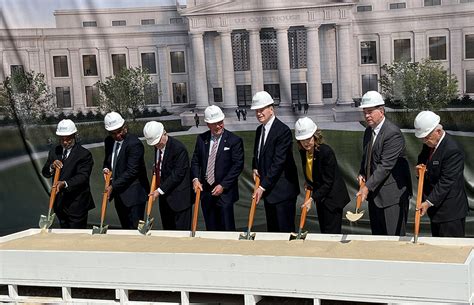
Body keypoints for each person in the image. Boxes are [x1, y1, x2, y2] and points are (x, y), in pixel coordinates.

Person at [357, 91, 412, 236]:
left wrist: (367, 187)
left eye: (370, 111)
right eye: (364, 112)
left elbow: (385, 166)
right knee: (378, 241)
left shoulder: (392, 133)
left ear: (381, 111)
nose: (366, 115)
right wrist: (362, 173)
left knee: (393, 242)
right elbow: (367, 158)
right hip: (375, 198)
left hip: (392, 199)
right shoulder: (368, 131)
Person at [251, 91, 300, 233]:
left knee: (284, 234)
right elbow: (258, 154)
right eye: (256, 111)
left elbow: (278, 162)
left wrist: (262, 187)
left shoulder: (283, 131)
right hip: (269, 193)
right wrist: (255, 167)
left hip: (283, 193)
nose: (259, 113)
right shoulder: (259, 130)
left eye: (262, 110)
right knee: (273, 232)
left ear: (271, 109)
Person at [414, 111, 468, 237]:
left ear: (438, 131)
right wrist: (420, 170)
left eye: (426, 137)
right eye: (422, 138)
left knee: (451, 251)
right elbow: (423, 161)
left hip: (450, 213)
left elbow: (447, 181)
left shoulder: (453, 150)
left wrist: (428, 202)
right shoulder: (430, 144)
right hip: (436, 211)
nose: (424, 141)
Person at [191, 105, 244, 231]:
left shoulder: (234, 140)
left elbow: (237, 165)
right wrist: (195, 179)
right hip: (206, 192)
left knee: (227, 229)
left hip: (225, 193)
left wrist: (223, 185)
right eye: (214, 123)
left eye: (220, 122)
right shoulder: (201, 139)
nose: (218, 126)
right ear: (208, 124)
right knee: (211, 229)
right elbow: (195, 161)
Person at [294, 117, 350, 234]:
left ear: (315, 136)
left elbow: (328, 182)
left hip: (332, 200)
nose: (306, 142)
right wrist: (309, 181)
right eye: (302, 139)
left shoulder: (326, 152)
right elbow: (312, 171)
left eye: (308, 138)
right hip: (321, 198)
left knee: (331, 234)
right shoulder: (303, 151)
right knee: (324, 232)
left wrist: (312, 199)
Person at [41, 119, 95, 228]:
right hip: (60, 205)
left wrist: (64, 183)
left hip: (77, 204)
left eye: (68, 139)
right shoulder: (54, 151)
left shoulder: (84, 154)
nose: (65, 142)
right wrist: (51, 166)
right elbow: (45, 172)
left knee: (77, 238)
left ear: (74, 135)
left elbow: (82, 177)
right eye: (62, 139)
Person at [103, 112, 149, 229]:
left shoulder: (134, 144)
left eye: (119, 131)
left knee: (135, 231)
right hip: (119, 196)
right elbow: (108, 160)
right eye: (113, 133)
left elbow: (132, 171)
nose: (118, 135)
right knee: (125, 229)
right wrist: (106, 169)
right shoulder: (109, 141)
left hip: (134, 195)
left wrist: (113, 186)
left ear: (124, 126)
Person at [143, 121, 193, 230]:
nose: (156, 145)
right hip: (165, 200)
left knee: (181, 235)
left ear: (164, 133)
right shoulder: (157, 146)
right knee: (168, 232)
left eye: (157, 142)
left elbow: (177, 174)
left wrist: (159, 191)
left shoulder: (179, 149)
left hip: (179, 200)